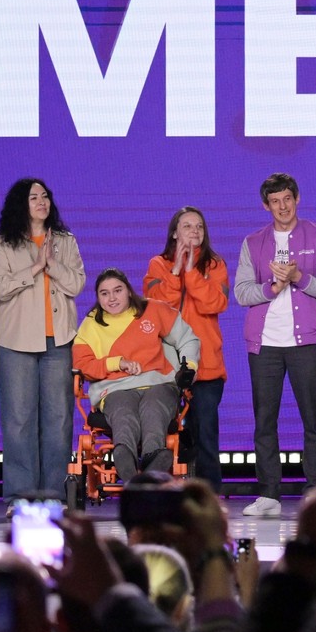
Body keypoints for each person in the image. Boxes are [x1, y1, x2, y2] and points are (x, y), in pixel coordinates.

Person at [234, 172, 316, 517]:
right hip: (264, 345)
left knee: (313, 418)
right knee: (264, 420)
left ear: (297, 199)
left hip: (306, 342)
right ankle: (269, 494)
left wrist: (297, 277)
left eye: (287, 199)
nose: (282, 206)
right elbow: (241, 293)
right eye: (275, 201)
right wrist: (272, 288)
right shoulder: (253, 242)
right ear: (266, 205)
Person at [0, 177, 86, 500]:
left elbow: (77, 284)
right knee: (19, 420)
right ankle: (21, 495)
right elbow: (0, 287)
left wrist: (52, 265)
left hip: (58, 340)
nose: (42, 201)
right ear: (21, 204)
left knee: (59, 419)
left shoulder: (65, 241)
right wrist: (34, 268)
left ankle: (54, 494)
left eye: (45, 196)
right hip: (16, 341)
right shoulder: (6, 242)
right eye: (34, 197)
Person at [72, 270, 201, 483]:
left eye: (117, 290)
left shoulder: (153, 309)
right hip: (115, 387)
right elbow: (82, 365)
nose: (112, 298)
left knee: (153, 408)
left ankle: (153, 457)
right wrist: (117, 363)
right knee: (123, 410)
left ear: (129, 291)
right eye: (104, 293)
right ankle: (125, 458)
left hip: (159, 382)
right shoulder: (91, 324)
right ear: (98, 298)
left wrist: (190, 368)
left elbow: (187, 339)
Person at [144, 207, 231, 489]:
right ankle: (161, 491)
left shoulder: (215, 265)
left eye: (199, 226)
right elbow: (158, 306)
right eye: (187, 226)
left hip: (206, 368)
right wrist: (176, 271)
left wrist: (192, 271)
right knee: (161, 431)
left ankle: (208, 496)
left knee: (205, 433)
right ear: (174, 233)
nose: (194, 231)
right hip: (166, 367)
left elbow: (214, 303)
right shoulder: (158, 265)